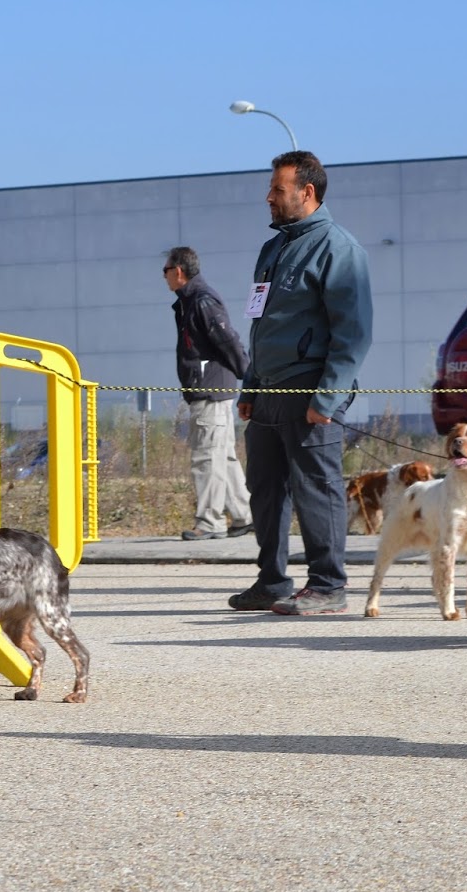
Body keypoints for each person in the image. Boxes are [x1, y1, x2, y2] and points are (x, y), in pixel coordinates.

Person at [228, 151, 372, 615]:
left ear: (307, 192)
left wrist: (327, 396)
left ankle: (328, 585)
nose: (268, 197)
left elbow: (353, 332)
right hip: (268, 390)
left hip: (310, 388)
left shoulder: (338, 248)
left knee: (316, 486)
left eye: (278, 189)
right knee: (265, 488)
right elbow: (260, 324)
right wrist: (251, 386)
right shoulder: (273, 249)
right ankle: (272, 581)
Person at [162, 246, 252, 541]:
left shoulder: (201, 301)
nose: (164, 277)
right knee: (223, 456)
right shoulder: (190, 302)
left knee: (206, 458)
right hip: (213, 390)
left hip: (209, 392)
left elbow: (228, 339)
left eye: (165, 271)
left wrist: (250, 377)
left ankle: (210, 521)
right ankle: (244, 515)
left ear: (178, 271)